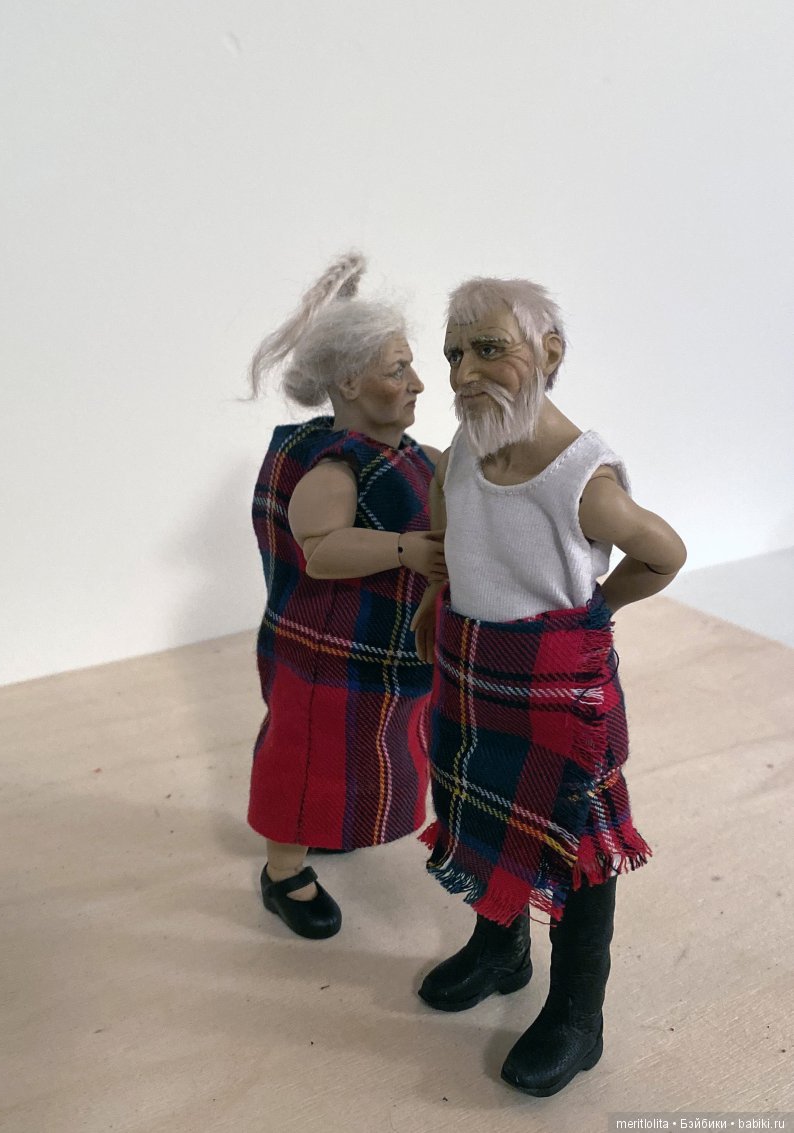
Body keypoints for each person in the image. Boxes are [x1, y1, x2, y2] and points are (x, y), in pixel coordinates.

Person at [411, 277, 686, 1096]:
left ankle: (577, 1015)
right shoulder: (469, 444)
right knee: (476, 812)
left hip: (555, 693)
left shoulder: (580, 479)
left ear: (549, 352)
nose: (464, 372)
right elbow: (446, 511)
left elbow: (664, 553)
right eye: (454, 353)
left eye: (488, 348)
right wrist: (433, 591)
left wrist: (597, 611)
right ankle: (501, 952)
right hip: (472, 674)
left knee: (577, 848)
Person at [247, 252, 445, 940]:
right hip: (326, 656)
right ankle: (282, 871)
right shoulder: (335, 468)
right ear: (350, 382)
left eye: (412, 366)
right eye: (398, 369)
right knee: (304, 761)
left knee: (370, 753)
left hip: (388, 652)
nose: (417, 383)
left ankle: (331, 827)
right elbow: (321, 548)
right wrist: (406, 550)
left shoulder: (415, 457)